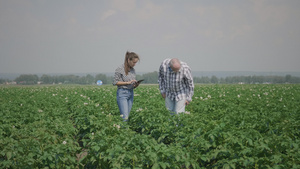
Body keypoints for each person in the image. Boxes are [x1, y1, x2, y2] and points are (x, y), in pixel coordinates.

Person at [113, 51, 140, 121]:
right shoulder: (120, 69)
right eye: (134, 62)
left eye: (136, 62)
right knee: (125, 117)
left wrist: (135, 85)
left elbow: (131, 83)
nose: (135, 64)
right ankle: (124, 131)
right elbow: (115, 82)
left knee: (127, 115)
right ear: (128, 60)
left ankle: (124, 129)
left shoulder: (133, 70)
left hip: (131, 93)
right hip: (122, 93)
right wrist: (127, 82)